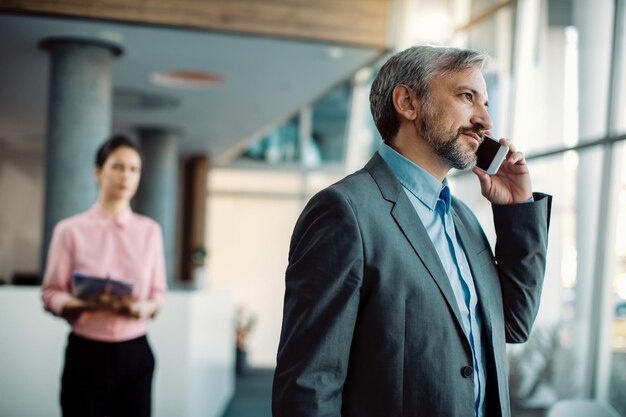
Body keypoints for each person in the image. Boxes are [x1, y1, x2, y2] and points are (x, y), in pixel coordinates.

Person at [272, 45, 552, 417]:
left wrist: (517, 209)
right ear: (407, 102)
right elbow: (309, 385)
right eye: (467, 97)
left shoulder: (463, 219)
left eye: (485, 103)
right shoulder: (344, 212)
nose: (485, 121)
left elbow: (514, 324)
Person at [42, 135, 167, 417]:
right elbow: (50, 294)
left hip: (135, 353)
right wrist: (86, 304)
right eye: (117, 167)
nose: (126, 176)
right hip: (86, 354)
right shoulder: (69, 230)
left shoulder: (150, 231)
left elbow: (158, 295)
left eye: (134, 169)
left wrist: (139, 308)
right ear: (98, 172)